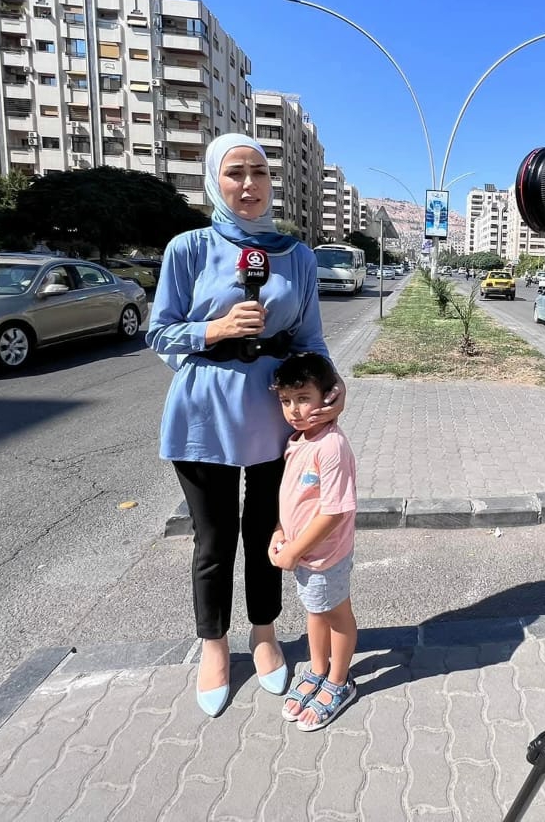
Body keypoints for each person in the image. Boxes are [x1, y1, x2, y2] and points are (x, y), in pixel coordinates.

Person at [147, 132, 346, 718]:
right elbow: (159, 333)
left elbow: (310, 338)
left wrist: (332, 387)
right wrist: (215, 329)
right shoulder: (188, 248)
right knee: (213, 541)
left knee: (267, 532)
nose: (249, 184)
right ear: (215, 181)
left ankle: (264, 633)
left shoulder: (296, 255)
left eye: (259, 172)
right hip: (202, 415)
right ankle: (213, 645)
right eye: (235, 172)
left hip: (274, 417)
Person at [269, 352, 359, 731]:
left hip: (325, 556)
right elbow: (292, 498)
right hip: (306, 555)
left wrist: (295, 549)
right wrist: (280, 531)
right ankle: (318, 669)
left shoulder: (330, 447)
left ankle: (339, 681)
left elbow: (334, 512)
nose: (294, 410)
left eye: (303, 398)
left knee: (337, 616)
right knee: (315, 610)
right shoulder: (299, 440)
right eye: (286, 400)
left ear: (328, 396)